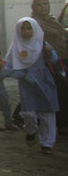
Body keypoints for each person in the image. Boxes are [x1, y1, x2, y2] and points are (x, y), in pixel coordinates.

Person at [6, 18, 60, 154]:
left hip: (44, 81)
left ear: (34, 29)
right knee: (29, 112)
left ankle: (47, 143)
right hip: (27, 83)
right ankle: (31, 130)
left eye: (29, 28)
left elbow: (54, 60)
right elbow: (8, 67)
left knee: (47, 112)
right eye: (22, 29)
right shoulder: (16, 46)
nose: (25, 32)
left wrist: (50, 52)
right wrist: (22, 76)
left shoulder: (42, 44)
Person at [30, 0, 68, 134]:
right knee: (59, 92)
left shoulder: (51, 20)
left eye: (46, 3)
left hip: (61, 59)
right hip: (47, 63)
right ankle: (61, 125)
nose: (43, 7)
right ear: (34, 7)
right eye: (39, 4)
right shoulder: (33, 22)